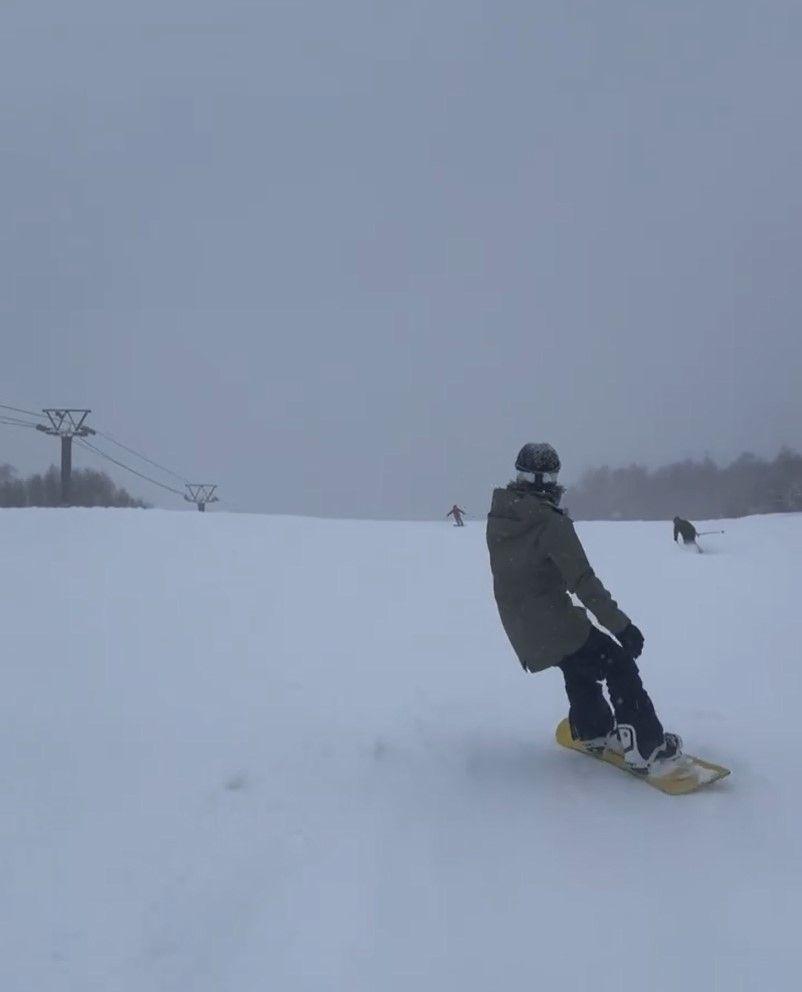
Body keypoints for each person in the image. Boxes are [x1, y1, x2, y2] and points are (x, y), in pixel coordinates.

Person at [486, 442, 684, 776]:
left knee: (577, 663)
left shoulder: (502, 516)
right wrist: (621, 627)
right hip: (554, 621)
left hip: (524, 628)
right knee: (618, 664)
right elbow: (583, 581)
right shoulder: (549, 522)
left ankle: (593, 729)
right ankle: (646, 746)